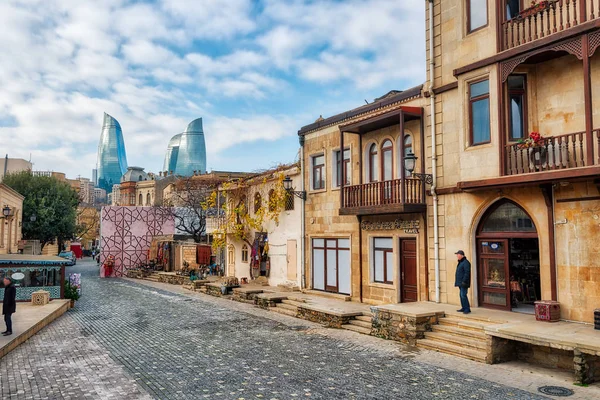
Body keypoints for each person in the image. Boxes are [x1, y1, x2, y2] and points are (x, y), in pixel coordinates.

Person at [454, 250, 472, 314]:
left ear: (462, 255)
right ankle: (464, 307)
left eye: (458, 255)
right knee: (461, 295)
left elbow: (467, 273)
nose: (457, 256)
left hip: (464, 283)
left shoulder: (466, 262)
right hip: (460, 282)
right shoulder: (460, 262)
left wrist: (464, 281)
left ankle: (467, 308)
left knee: (463, 295)